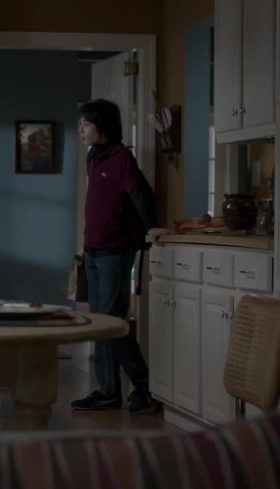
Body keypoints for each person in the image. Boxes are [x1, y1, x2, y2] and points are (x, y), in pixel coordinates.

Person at [71, 98, 167, 414]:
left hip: (116, 252)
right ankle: (108, 391)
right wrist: (85, 245)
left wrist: (151, 227)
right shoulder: (93, 158)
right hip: (93, 251)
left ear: (103, 126)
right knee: (100, 323)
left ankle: (144, 385)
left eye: (86, 124)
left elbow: (141, 194)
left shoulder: (122, 157)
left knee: (110, 323)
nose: (81, 130)